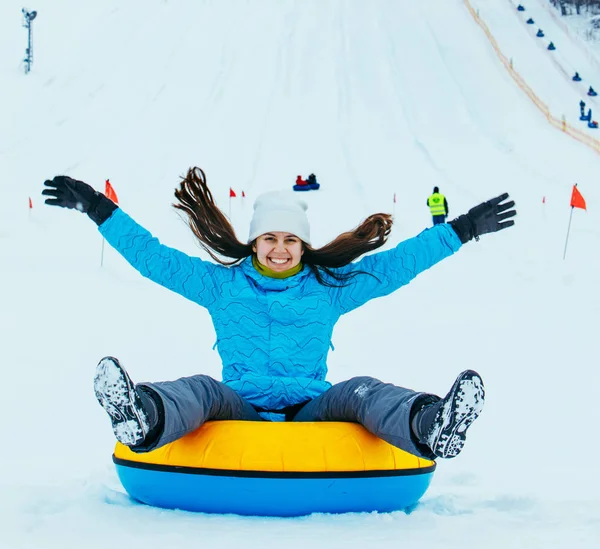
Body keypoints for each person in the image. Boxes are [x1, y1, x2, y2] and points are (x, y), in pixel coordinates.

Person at [42, 168, 516, 461]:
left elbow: (393, 267)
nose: (280, 249)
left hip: (312, 408)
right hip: (239, 406)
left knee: (359, 391)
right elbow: (154, 257)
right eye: (270, 238)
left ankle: (434, 423)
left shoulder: (328, 289)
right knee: (203, 389)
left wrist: (462, 229)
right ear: (254, 242)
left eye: (291, 240)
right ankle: (139, 416)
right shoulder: (221, 286)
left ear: (303, 245)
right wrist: (100, 209)